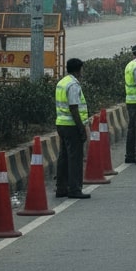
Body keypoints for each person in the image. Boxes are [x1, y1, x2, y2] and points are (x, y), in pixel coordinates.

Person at [55, 57, 91, 198]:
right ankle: (74, 189)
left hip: (61, 124)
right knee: (75, 158)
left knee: (63, 157)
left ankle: (61, 188)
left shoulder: (61, 83)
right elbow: (74, 108)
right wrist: (81, 128)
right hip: (72, 125)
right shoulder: (73, 85)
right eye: (82, 69)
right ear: (78, 70)